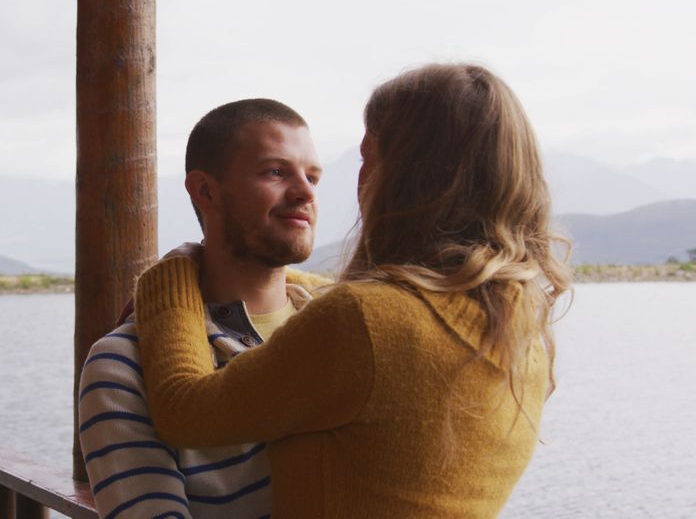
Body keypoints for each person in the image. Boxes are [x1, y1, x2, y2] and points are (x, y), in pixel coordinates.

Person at [133, 64, 573, 517]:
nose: (358, 181)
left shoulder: (365, 321)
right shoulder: (521, 330)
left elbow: (184, 410)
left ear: (408, 176)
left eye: (369, 157)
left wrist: (170, 278)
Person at [78, 99, 332, 518]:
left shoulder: (346, 325)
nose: (305, 192)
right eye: (276, 171)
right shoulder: (123, 365)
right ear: (205, 191)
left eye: (313, 176)